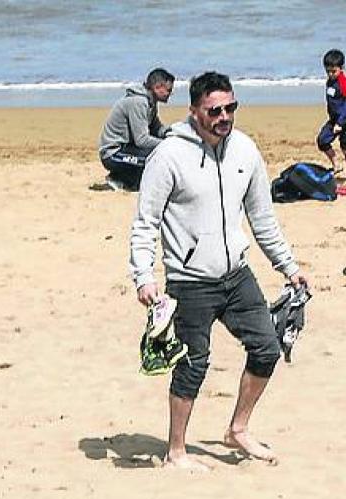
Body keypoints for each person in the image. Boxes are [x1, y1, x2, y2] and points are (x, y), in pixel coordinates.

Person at [130, 71, 310, 470]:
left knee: (267, 347)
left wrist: (289, 267)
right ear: (194, 111)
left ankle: (238, 430)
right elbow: (146, 222)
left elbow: (263, 218)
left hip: (236, 275)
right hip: (189, 282)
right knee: (193, 365)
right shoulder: (169, 156)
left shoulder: (245, 151)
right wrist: (144, 275)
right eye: (214, 110)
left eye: (230, 108)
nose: (224, 116)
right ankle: (176, 451)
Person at [98, 68, 175, 190]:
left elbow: (157, 129)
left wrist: (173, 133)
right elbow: (142, 140)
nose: (171, 93)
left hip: (129, 148)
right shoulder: (139, 102)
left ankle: (124, 178)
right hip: (113, 153)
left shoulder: (151, 102)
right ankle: (119, 179)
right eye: (169, 90)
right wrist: (167, 144)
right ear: (157, 87)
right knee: (156, 158)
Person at [318, 49, 346, 181]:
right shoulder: (330, 82)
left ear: (342, 68)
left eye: (333, 71)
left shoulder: (345, 84)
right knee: (322, 140)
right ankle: (336, 164)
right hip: (334, 120)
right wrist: (334, 121)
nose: (330, 74)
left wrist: (340, 123)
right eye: (327, 71)